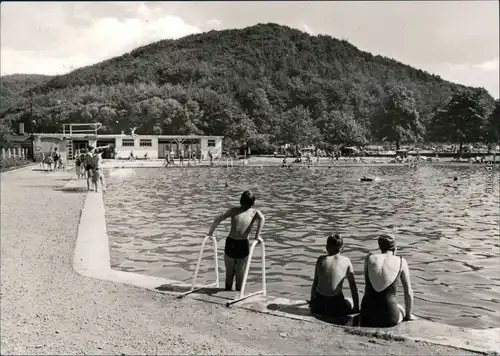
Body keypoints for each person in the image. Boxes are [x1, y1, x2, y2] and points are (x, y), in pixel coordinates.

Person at [207, 191, 265, 291]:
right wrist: (257, 235)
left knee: (229, 273)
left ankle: (227, 291)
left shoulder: (234, 210)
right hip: (243, 244)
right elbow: (262, 218)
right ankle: (238, 295)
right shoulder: (254, 212)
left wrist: (210, 234)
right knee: (240, 274)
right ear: (253, 203)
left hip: (231, 243)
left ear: (240, 201)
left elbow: (217, 220)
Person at [360, 234, 417, 327]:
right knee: (400, 308)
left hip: (366, 315)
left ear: (380, 247)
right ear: (395, 248)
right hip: (389, 318)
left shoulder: (369, 258)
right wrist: (408, 315)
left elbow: (367, 285)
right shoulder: (402, 261)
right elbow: (408, 292)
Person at [309, 234, 359, 318]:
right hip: (336, 306)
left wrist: (312, 302)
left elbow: (315, 283)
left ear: (326, 247)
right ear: (342, 248)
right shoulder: (346, 260)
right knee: (349, 301)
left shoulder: (320, 259)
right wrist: (356, 307)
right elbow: (353, 286)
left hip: (320, 305)